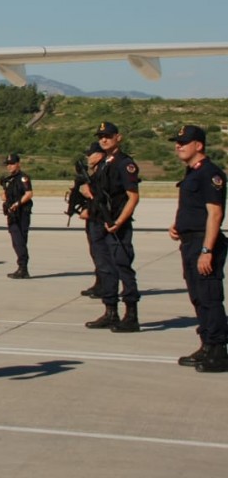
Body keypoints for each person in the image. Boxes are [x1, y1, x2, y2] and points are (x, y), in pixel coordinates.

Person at [166, 125, 227, 372]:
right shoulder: (192, 173)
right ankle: (206, 344)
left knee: (210, 297)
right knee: (198, 297)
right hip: (189, 241)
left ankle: (218, 351)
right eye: (177, 142)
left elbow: (215, 214)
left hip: (204, 243)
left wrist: (207, 250)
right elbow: (195, 209)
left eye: (184, 142)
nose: (178, 145)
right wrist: (178, 225)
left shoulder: (210, 173)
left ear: (198, 145)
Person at [84, 122, 142, 333]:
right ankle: (110, 311)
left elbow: (133, 197)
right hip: (99, 223)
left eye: (108, 136)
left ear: (118, 137)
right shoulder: (104, 164)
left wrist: (119, 221)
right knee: (105, 268)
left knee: (122, 267)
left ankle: (131, 315)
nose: (104, 139)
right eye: (101, 136)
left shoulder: (124, 163)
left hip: (116, 225)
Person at [68, 142, 106, 297]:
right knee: (96, 253)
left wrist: (89, 208)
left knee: (103, 255)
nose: (88, 157)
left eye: (90, 154)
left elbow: (101, 197)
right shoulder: (96, 173)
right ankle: (100, 283)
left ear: (100, 154)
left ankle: (106, 286)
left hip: (100, 219)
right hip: (94, 219)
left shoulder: (104, 172)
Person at [0, 153, 34, 279]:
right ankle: (22, 267)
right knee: (17, 240)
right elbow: (5, 194)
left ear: (18, 164)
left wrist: (18, 203)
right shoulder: (9, 179)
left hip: (22, 212)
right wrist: (4, 195)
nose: (9, 166)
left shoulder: (23, 178)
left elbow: (29, 194)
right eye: (8, 164)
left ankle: (23, 267)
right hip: (12, 213)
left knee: (20, 240)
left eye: (12, 164)